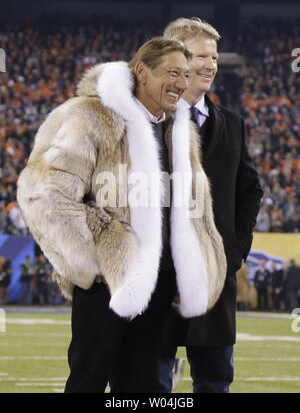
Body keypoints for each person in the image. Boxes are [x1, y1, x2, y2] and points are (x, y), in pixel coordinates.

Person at [17, 37, 227, 393]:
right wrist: (90, 263)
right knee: (89, 380)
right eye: (173, 73)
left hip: (161, 284)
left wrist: (193, 270)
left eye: (185, 75)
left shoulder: (180, 131)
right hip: (107, 282)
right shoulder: (89, 116)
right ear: (142, 71)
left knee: (144, 387)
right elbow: (44, 194)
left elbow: (194, 211)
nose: (181, 83)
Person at [158, 18, 263, 393]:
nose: (211, 65)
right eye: (201, 55)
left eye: (214, 57)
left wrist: (234, 253)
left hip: (213, 280)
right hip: (154, 279)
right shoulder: (142, 122)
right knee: (149, 385)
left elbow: (250, 191)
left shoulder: (232, 124)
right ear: (174, 59)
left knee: (215, 381)